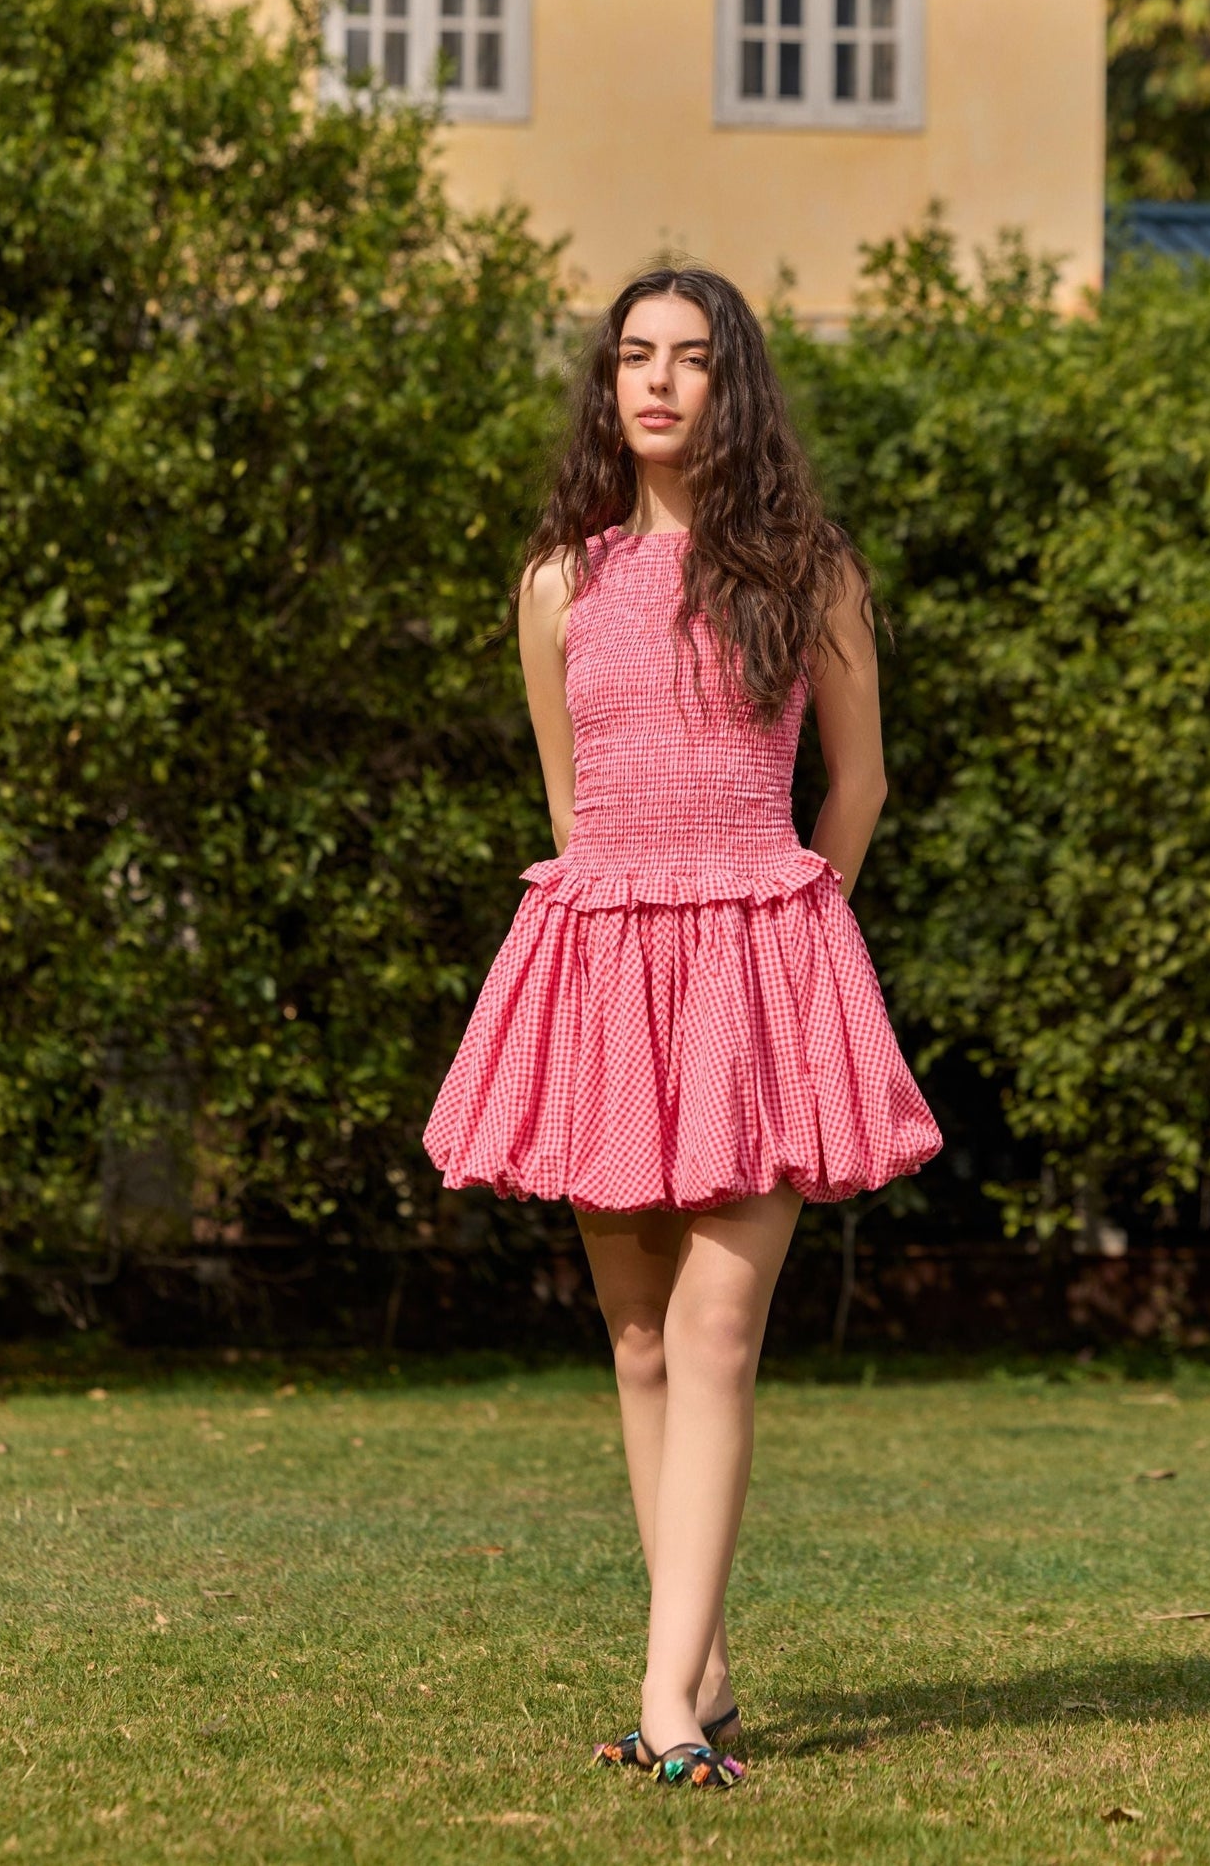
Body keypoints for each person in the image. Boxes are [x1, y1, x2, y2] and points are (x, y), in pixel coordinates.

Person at [423, 263, 942, 1791]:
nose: (657, 380)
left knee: (717, 1330)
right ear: (608, 383)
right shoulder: (557, 582)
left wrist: (796, 938)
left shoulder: (808, 569)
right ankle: (700, 1670)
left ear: (736, 383)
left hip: (758, 970)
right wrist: (627, 941)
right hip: (606, 971)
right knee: (641, 1336)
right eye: (634, 354)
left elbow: (859, 783)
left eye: (692, 356)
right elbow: (571, 810)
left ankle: (663, 1706)